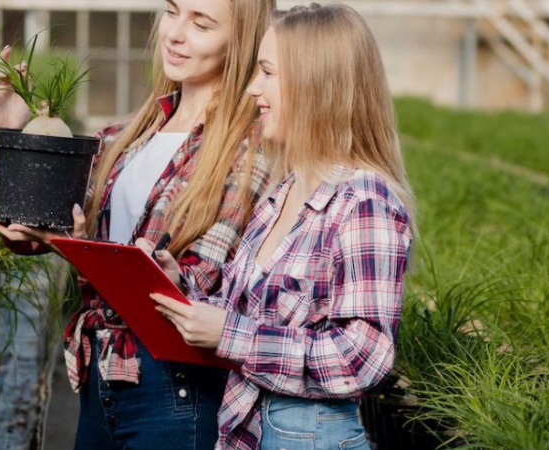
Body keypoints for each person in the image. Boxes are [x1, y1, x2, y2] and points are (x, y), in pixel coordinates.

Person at [0, 0, 275, 448]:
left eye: (201, 24)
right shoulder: (128, 136)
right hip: (102, 376)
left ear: (241, 42)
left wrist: (76, 248)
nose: (175, 34)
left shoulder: (247, 150)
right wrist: (22, 135)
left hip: (175, 391)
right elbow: (51, 220)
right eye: (174, 11)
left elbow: (191, 288)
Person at [149, 4, 416, 449]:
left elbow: (363, 358)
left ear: (316, 85)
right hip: (254, 427)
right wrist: (183, 292)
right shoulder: (284, 192)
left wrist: (230, 336)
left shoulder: (365, 202)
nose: (253, 88)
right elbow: (251, 316)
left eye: (268, 72)